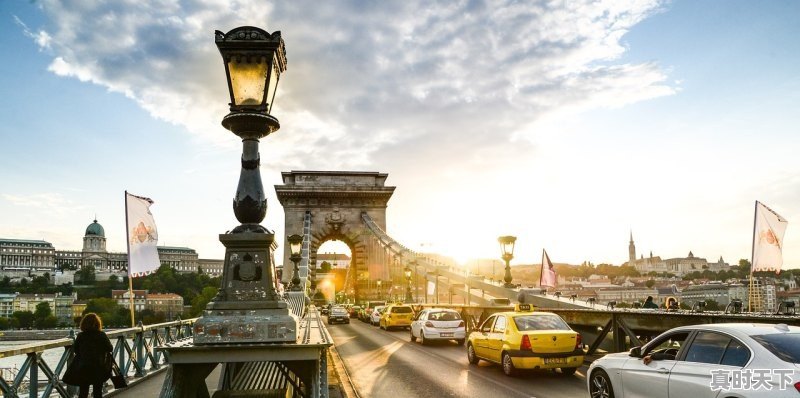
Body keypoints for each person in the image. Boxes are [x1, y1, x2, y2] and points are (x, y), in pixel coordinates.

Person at [72, 313, 113, 398]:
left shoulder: (81, 335)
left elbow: (75, 350)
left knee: (83, 392)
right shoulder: (101, 335)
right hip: (99, 366)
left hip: (84, 366)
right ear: (98, 324)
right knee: (97, 392)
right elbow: (110, 348)